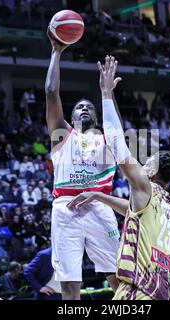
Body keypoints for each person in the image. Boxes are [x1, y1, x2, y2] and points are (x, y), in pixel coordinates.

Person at [68, 56, 170, 300]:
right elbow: (131, 210)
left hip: (137, 292)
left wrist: (106, 95)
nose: (144, 162)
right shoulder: (168, 203)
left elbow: (117, 143)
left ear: (151, 171)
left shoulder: (144, 185)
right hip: (158, 292)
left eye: (148, 161)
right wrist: (99, 195)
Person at [45, 31, 120, 299]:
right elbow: (52, 92)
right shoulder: (62, 136)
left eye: (89, 106)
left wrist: (107, 93)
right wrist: (57, 52)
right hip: (65, 209)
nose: (84, 109)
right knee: (69, 285)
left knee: (119, 278)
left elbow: (114, 124)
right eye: (78, 107)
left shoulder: (107, 139)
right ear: (71, 115)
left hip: (101, 206)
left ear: (98, 116)